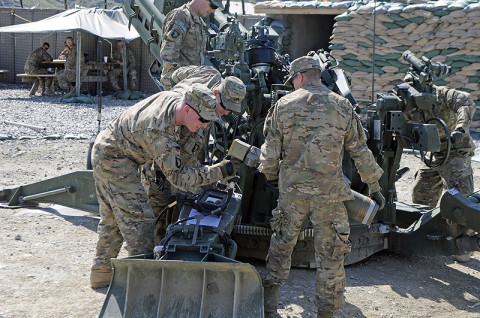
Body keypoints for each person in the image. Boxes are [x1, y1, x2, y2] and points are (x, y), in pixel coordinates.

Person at [259, 56, 385, 318]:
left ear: (300, 76)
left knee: (281, 248)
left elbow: (270, 151)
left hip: (292, 195)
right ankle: (326, 313)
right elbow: (360, 150)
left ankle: (268, 306)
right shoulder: (342, 106)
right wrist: (374, 185)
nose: (292, 85)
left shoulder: (283, 105)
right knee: (331, 258)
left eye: (292, 80)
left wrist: (271, 175)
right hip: (330, 196)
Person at [90, 83, 240, 288]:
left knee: (113, 218)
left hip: (117, 151)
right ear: (187, 109)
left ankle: (101, 273)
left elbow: (185, 159)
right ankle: (142, 287)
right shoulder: (159, 130)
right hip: (112, 158)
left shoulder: (179, 104)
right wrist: (219, 171)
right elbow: (177, 178)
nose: (205, 126)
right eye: (203, 120)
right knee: (140, 221)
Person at [143, 66, 246, 239]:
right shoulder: (195, 126)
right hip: (159, 145)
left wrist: (171, 95)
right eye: (225, 107)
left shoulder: (210, 72)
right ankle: (155, 251)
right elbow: (184, 165)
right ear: (215, 93)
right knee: (159, 205)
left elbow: (174, 75)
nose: (226, 112)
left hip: (170, 124)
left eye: (231, 109)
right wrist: (214, 175)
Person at [402, 81, 476, 208]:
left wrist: (460, 129)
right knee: (421, 197)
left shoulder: (443, 94)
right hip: (433, 153)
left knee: (461, 203)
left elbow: (466, 102)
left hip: (455, 151)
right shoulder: (409, 103)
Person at [159, 0, 224, 90]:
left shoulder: (198, 20)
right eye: (213, 6)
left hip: (191, 83)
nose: (213, 11)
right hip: (180, 85)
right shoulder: (181, 16)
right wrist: (172, 85)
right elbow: (168, 53)